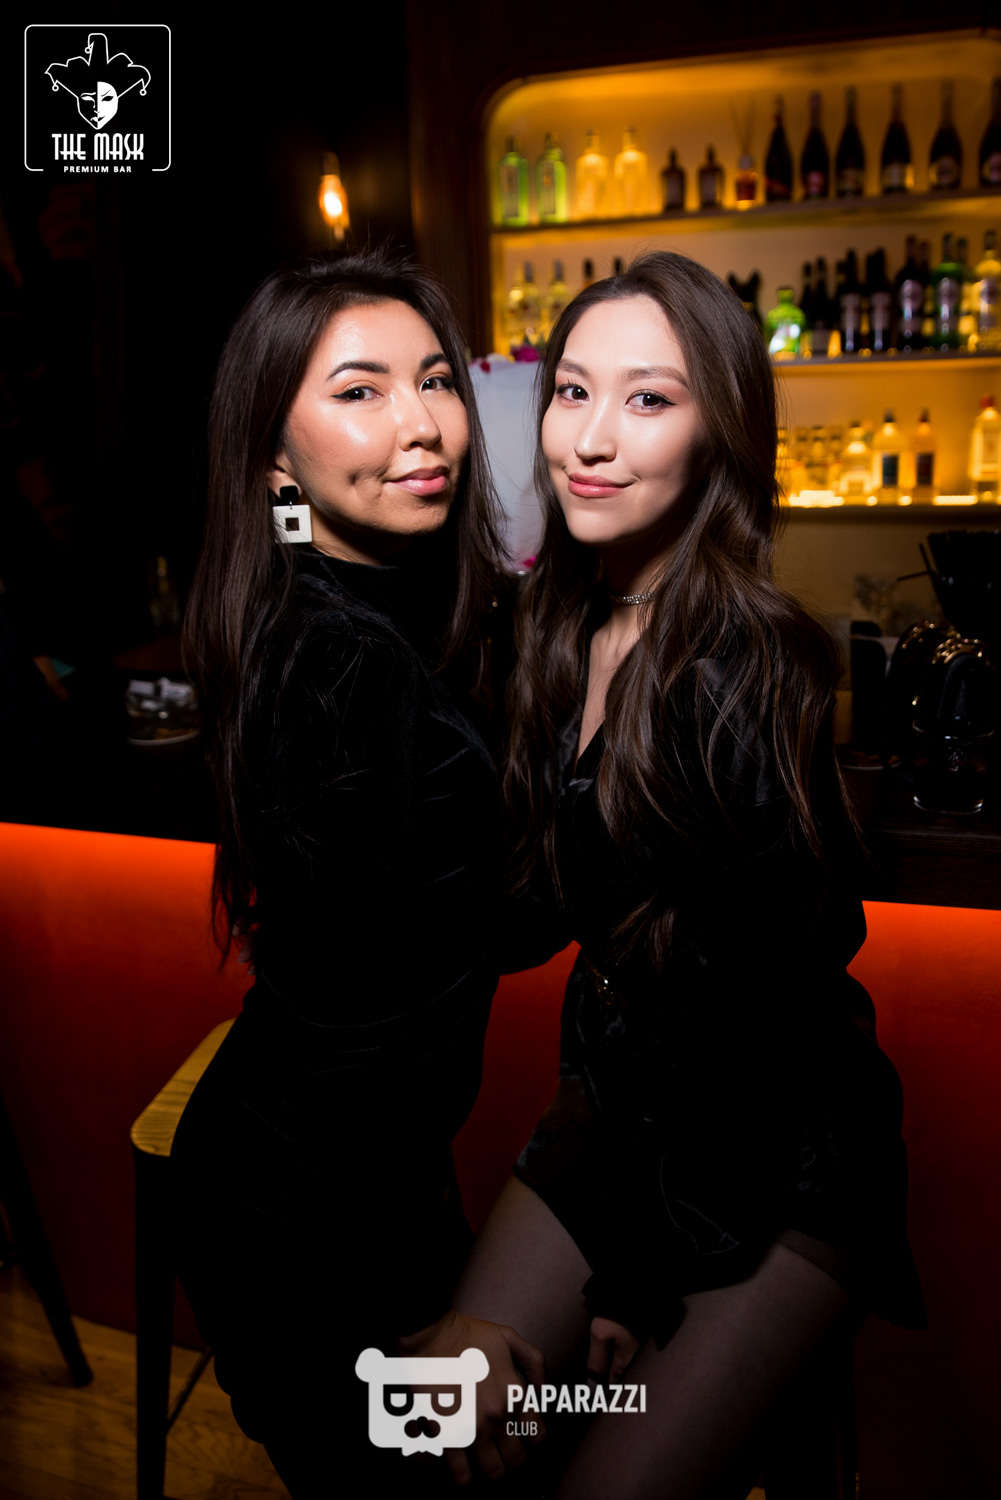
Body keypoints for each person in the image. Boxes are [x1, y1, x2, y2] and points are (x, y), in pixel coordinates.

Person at [449, 251, 925, 1499]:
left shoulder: (744, 665)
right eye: (571, 391)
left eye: (648, 400)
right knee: (449, 1431)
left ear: (720, 434)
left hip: (773, 1148)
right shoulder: (563, 625)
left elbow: (761, 1026)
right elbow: (533, 910)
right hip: (622, 1107)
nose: (590, 440)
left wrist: (637, 1272)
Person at [170, 248, 542, 1497]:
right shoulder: (338, 662)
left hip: (360, 1177)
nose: (421, 422)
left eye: (432, 380)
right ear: (275, 458)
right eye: (359, 391)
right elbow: (477, 933)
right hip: (310, 1216)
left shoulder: (336, 604)